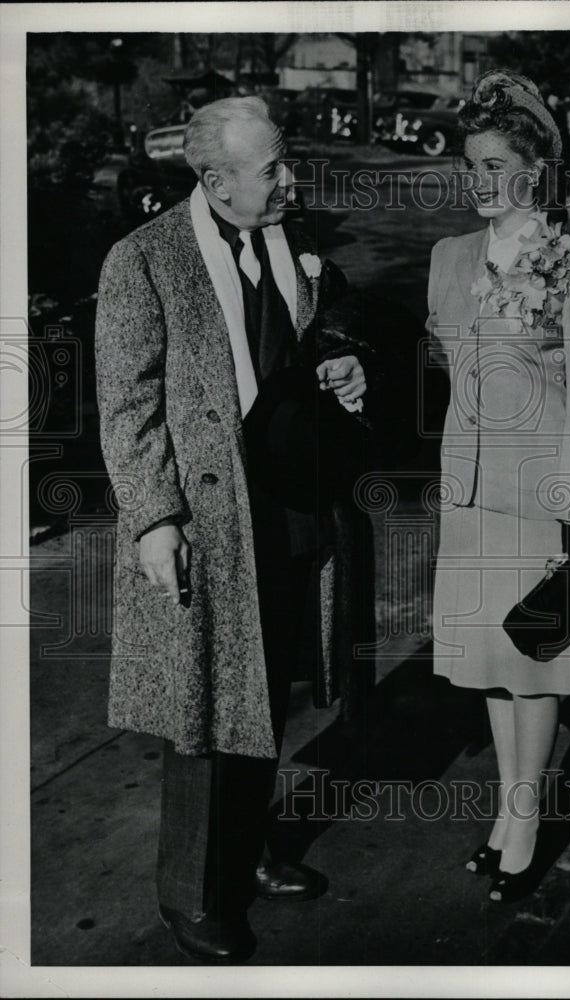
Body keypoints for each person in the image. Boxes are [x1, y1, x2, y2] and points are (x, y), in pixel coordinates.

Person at [95, 95, 378, 963]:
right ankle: (192, 894)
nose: (290, 179)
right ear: (214, 181)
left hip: (291, 508)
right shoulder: (143, 261)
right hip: (203, 520)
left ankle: (247, 852)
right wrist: (153, 519)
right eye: (272, 170)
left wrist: (341, 357)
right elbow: (126, 402)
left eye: (286, 162)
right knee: (203, 711)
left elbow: (315, 336)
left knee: (267, 689)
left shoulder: (297, 246)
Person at [426, 70, 570, 902]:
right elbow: (444, 363)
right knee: (489, 665)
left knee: (533, 664)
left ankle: (528, 821)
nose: (480, 180)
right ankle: (509, 814)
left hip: (540, 496)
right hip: (469, 490)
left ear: (534, 172)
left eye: (497, 164)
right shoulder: (447, 257)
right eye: (471, 164)